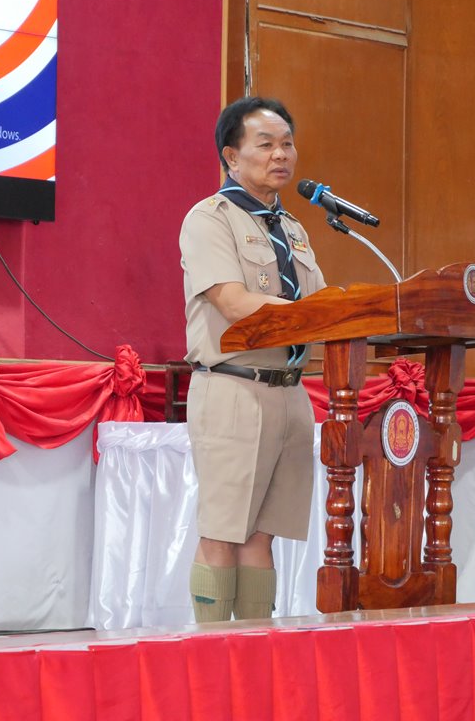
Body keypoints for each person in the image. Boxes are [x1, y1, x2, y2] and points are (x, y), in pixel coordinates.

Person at [179, 97, 325, 622]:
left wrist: (342, 314)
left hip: (290, 392)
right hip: (234, 388)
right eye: (265, 145)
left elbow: (320, 307)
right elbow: (234, 301)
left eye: (287, 144)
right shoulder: (208, 219)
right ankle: (211, 654)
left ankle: (257, 653)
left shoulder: (293, 229)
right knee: (223, 531)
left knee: (262, 535)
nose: (280, 155)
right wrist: (320, 313)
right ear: (231, 156)